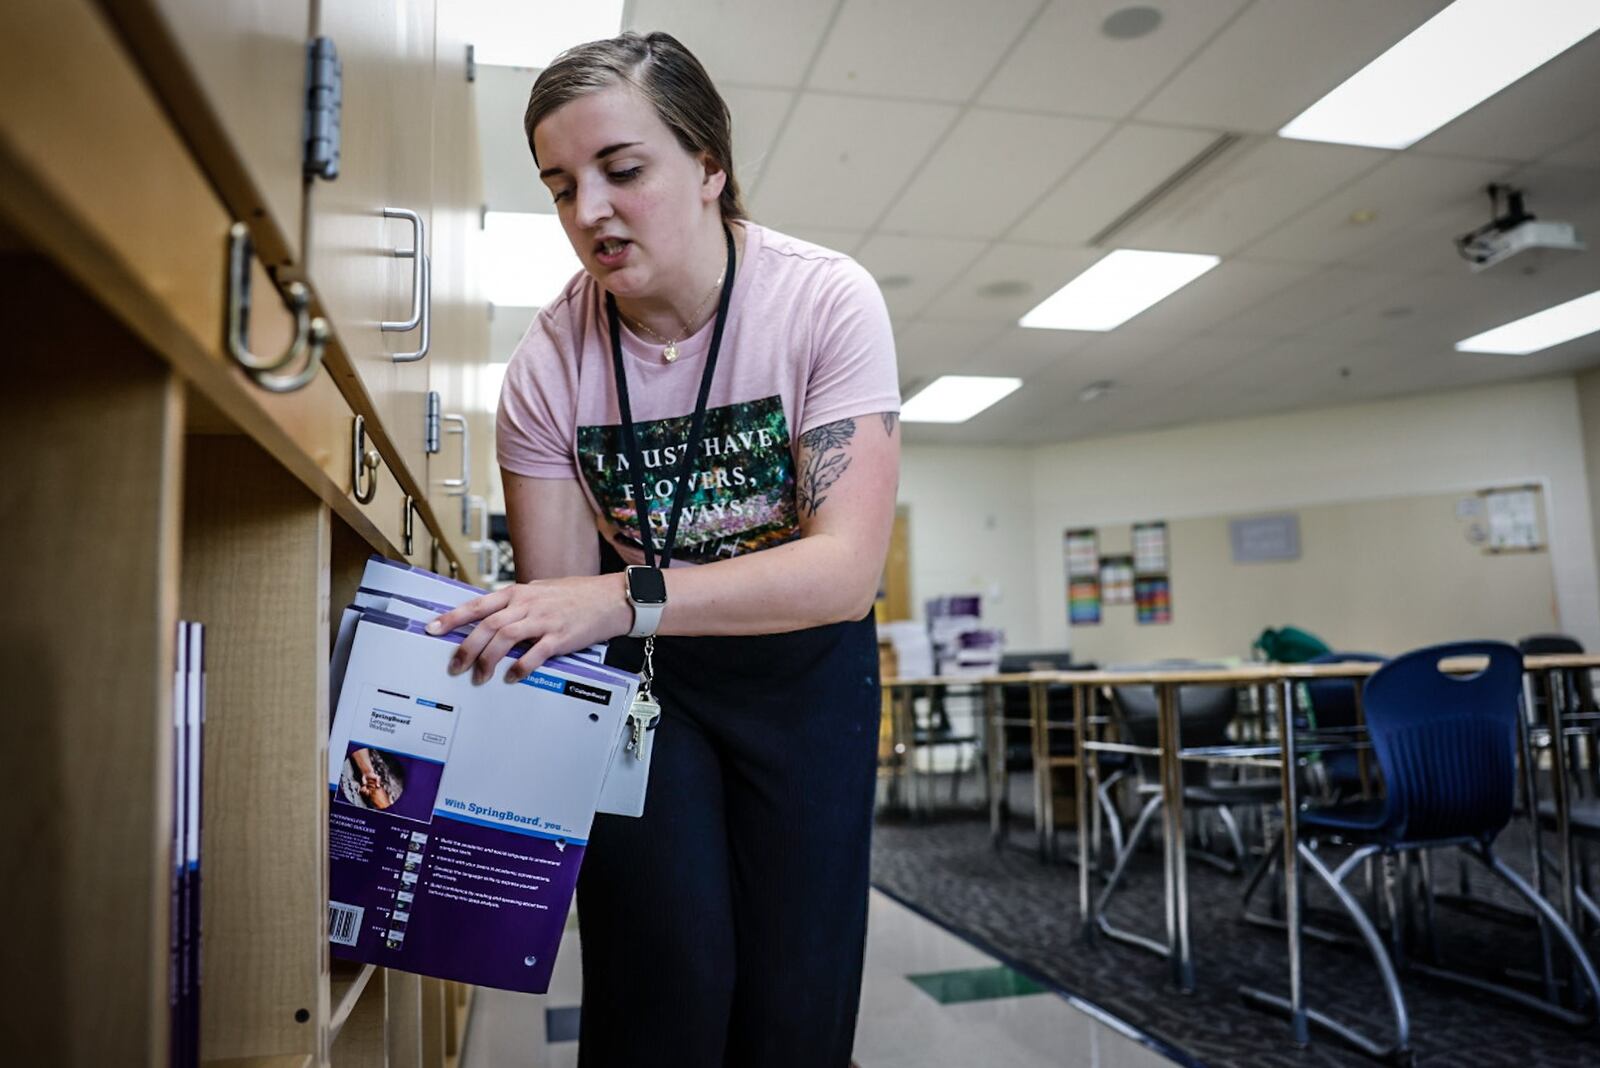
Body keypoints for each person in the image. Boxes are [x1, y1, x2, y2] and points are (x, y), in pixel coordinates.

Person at [425, 30, 900, 1068]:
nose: (587, 210)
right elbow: (562, 612)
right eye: (560, 186)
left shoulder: (823, 302)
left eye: (621, 170)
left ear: (709, 168)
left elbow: (843, 571)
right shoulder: (549, 365)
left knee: (794, 994)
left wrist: (615, 596)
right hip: (645, 687)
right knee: (662, 981)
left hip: (804, 666)